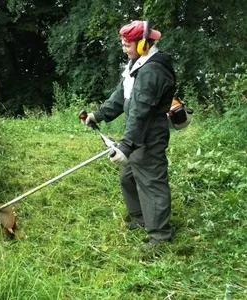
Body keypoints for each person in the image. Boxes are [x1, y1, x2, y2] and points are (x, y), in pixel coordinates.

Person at [84, 20, 176, 247]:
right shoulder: (137, 65)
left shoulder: (153, 71)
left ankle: (160, 236)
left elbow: (141, 112)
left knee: (151, 181)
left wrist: (126, 146)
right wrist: (99, 115)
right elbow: (121, 96)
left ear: (143, 44)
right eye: (123, 44)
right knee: (128, 176)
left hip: (150, 133)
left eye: (127, 45)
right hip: (138, 131)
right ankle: (142, 219)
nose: (124, 49)